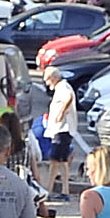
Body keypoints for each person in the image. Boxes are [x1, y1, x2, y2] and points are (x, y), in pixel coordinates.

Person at [42, 69, 79, 199]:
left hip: (62, 129)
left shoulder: (63, 87)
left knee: (54, 160)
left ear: (53, 78)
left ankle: (48, 190)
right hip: (63, 130)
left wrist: (61, 113)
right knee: (62, 161)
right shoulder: (62, 87)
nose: (47, 83)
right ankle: (65, 190)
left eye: (47, 79)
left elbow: (69, 97)